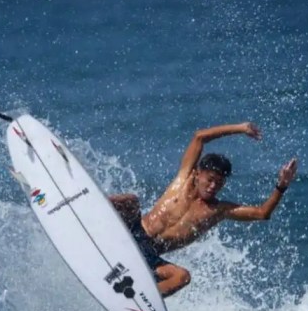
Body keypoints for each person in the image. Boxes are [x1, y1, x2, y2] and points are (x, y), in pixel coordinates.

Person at [109, 121, 297, 298]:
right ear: (198, 174)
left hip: (149, 254)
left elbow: (262, 213)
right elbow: (200, 137)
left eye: (219, 183)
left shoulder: (219, 210)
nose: (213, 186)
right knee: (131, 201)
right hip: (133, 230)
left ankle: (142, 300)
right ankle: (89, 208)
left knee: (182, 276)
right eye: (210, 179)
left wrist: (281, 186)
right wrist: (240, 128)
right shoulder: (183, 179)